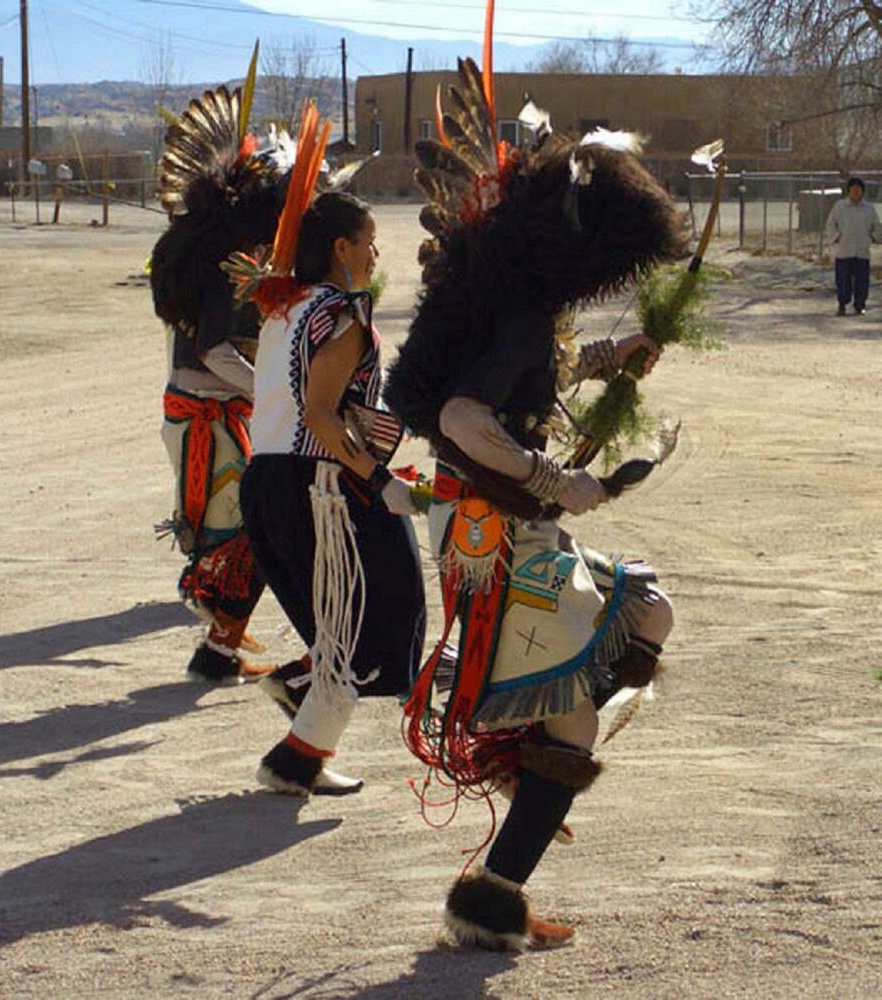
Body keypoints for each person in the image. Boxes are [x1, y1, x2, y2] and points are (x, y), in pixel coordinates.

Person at [384, 55, 687, 948]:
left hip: (506, 524)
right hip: (496, 528)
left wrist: (614, 352)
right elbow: (463, 415)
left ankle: (526, 762)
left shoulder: (519, 303)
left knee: (652, 612)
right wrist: (561, 484)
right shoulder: (516, 311)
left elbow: (533, 379)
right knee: (577, 714)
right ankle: (489, 898)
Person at [239, 190, 426, 796]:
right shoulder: (342, 317)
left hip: (267, 481)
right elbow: (319, 415)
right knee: (382, 618)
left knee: (347, 626)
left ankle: (302, 710)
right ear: (341, 248)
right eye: (368, 240)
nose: (375, 253)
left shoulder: (283, 308)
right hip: (316, 487)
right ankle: (293, 755)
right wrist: (378, 480)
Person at [150, 84, 287, 685]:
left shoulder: (215, 255)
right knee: (242, 533)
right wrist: (268, 389)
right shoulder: (221, 264)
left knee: (235, 531)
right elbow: (212, 349)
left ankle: (221, 643)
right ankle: (217, 649)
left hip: (206, 409)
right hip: (209, 410)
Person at [825, 176, 881, 316]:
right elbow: (830, 224)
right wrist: (836, 237)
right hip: (844, 250)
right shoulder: (840, 206)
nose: (856, 193)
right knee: (843, 281)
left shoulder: (869, 209)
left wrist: (874, 237)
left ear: (862, 192)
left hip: (862, 251)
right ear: (848, 191)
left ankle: (860, 305)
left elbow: (877, 226)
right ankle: (842, 304)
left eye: (858, 190)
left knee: (862, 282)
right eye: (853, 190)